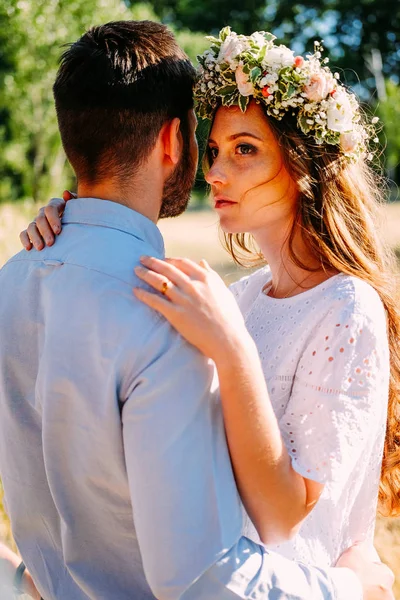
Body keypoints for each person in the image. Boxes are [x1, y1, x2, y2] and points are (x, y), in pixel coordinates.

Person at [8, 20, 394, 600]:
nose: (213, 172)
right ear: (175, 142)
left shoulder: (347, 307)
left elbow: (282, 518)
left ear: (303, 162)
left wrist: (233, 349)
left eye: (245, 150)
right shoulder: (232, 298)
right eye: (212, 150)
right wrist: (74, 235)